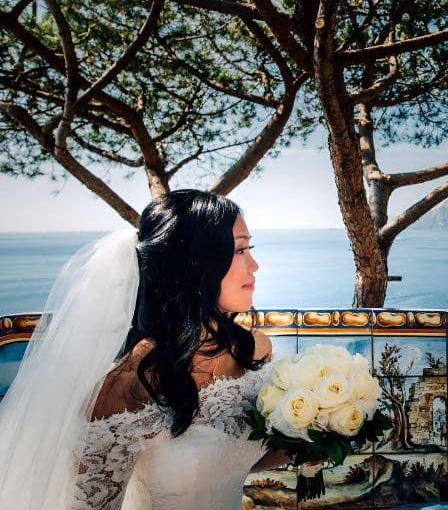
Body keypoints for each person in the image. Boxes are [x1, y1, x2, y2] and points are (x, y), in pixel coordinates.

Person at [0, 190, 289, 509]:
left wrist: (319, 432)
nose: (255, 265)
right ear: (193, 263)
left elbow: (234, 460)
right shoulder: (126, 388)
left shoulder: (255, 350)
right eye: (239, 250)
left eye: (251, 247)